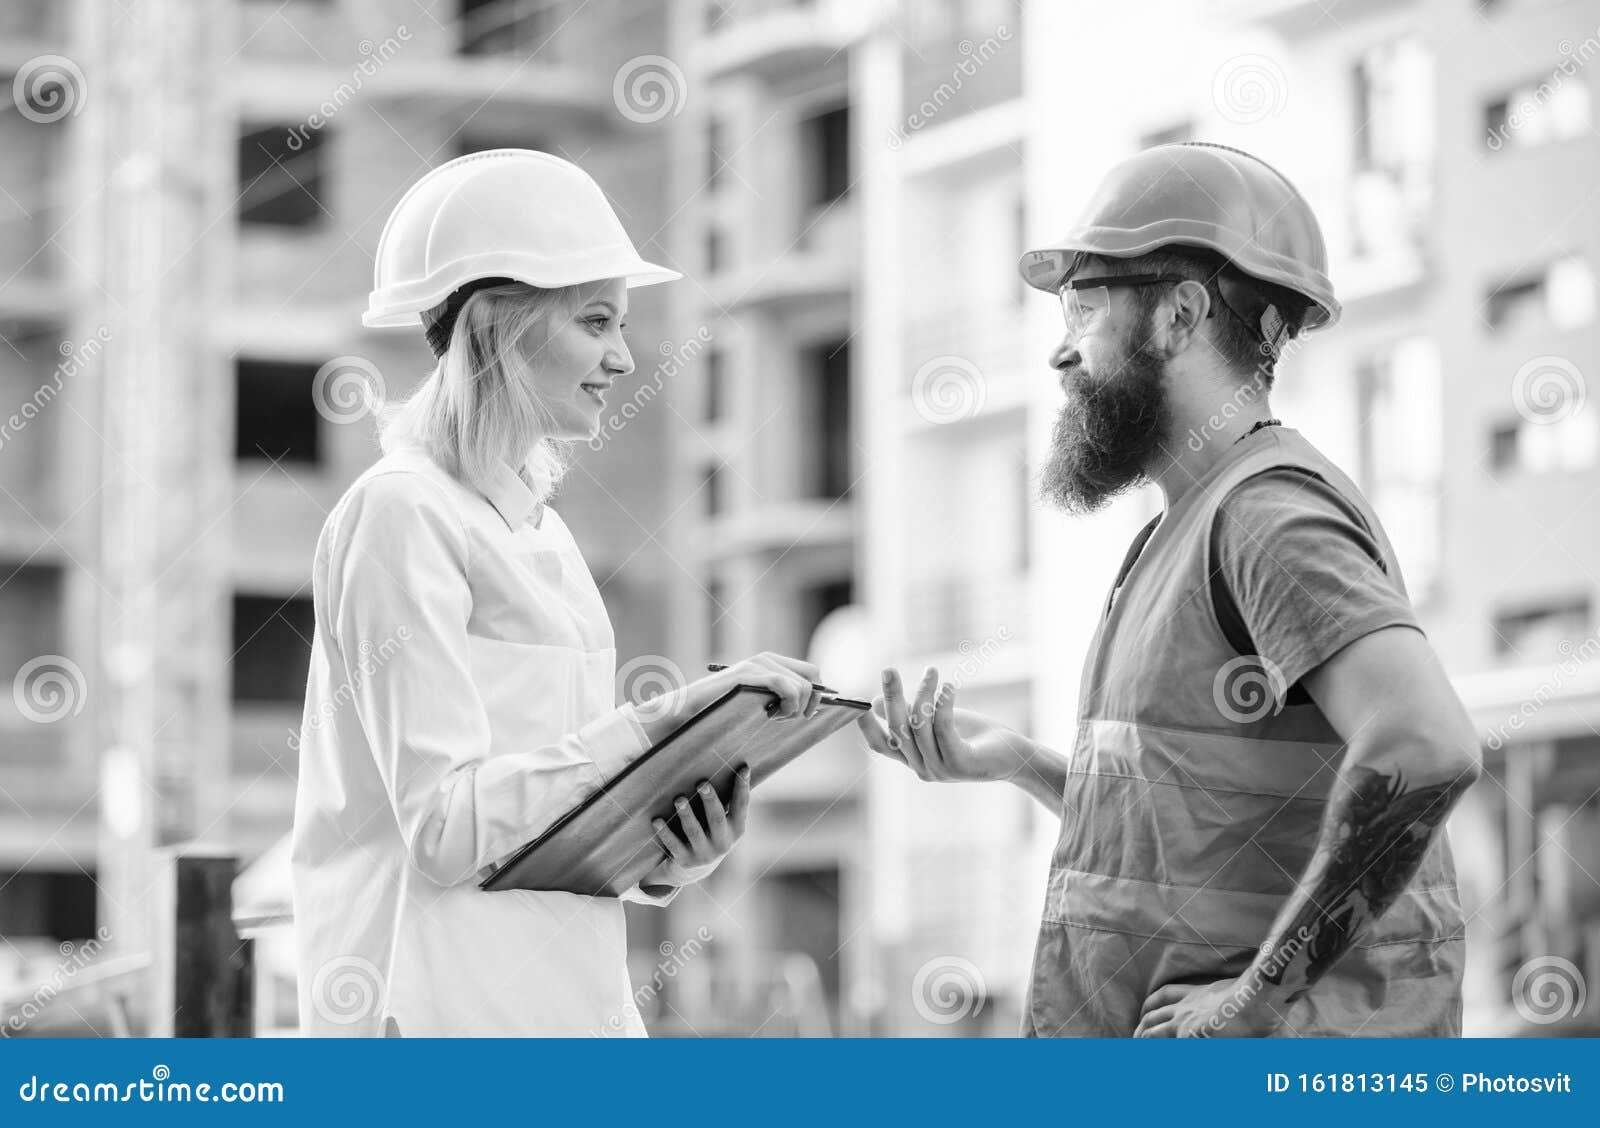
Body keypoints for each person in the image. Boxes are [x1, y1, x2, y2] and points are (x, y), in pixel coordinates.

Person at [858, 142, 1482, 1037]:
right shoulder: (1185, 528)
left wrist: (1249, 1004)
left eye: (1083, 306)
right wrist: (1017, 761)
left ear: (1179, 315)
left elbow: (1427, 748)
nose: (1061, 354)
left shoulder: (1264, 515)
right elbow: (1203, 831)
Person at [291, 149, 820, 1037]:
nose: (623, 356)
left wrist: (669, 848)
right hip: (431, 1020)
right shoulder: (400, 514)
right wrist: (664, 727)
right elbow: (448, 828)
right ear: (500, 325)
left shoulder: (541, 527)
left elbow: (553, 807)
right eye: (597, 321)